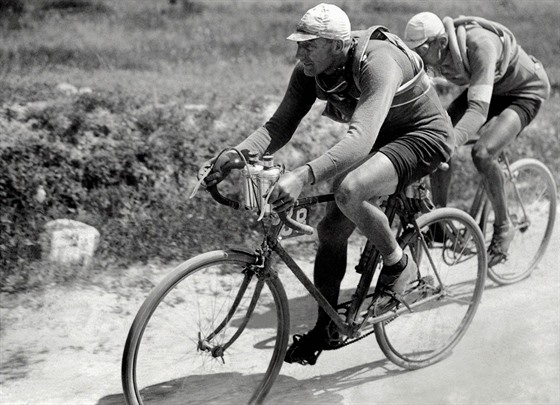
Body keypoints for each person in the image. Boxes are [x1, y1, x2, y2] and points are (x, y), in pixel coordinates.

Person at [201, 3, 454, 365]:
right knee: (331, 230)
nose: (299, 53)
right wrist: (236, 154)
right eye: (298, 44)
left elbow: (360, 137)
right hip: (381, 137)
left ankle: (398, 264)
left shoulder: (378, 62)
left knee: (348, 190)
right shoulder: (310, 70)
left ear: (337, 45)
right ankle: (327, 327)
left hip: (422, 137)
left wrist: (304, 174)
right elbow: (279, 126)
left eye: (309, 45)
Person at [403, 12, 551, 266]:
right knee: (438, 136)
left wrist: (447, 143)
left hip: (524, 92)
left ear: (440, 43)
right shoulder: (437, 50)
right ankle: (439, 221)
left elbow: (478, 111)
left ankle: (504, 226)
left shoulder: (480, 45)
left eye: (422, 50)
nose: (418, 57)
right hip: (493, 87)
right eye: (413, 51)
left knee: (482, 153)